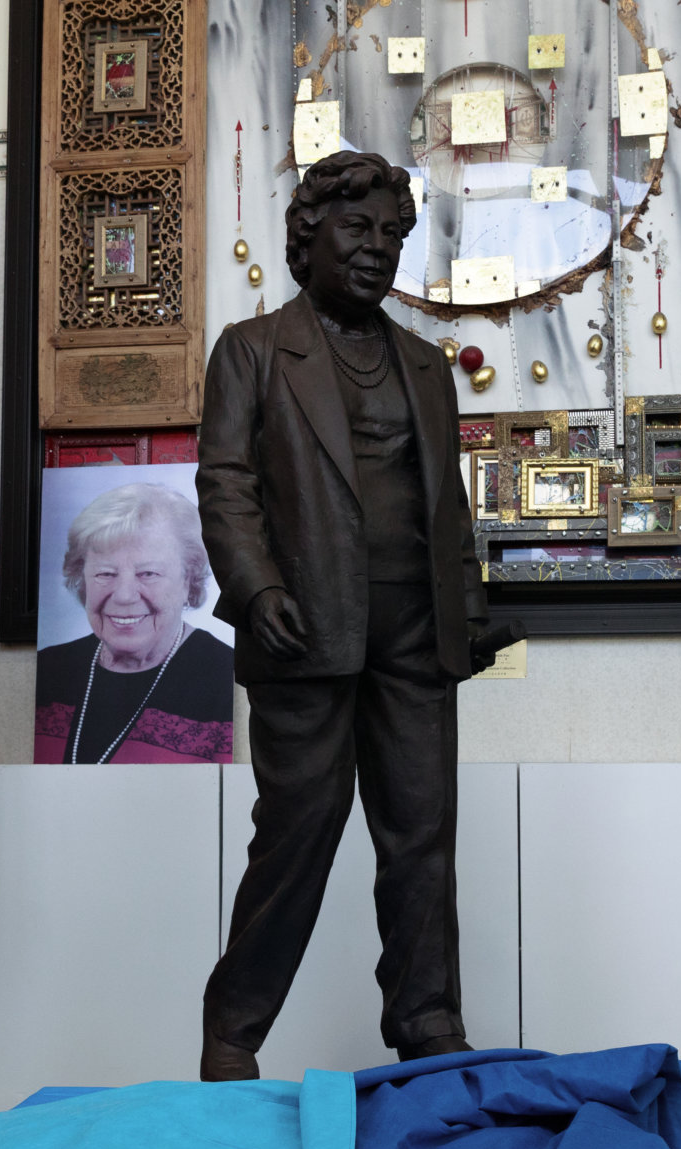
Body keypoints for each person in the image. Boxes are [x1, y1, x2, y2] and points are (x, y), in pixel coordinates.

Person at [195, 150, 512, 1082]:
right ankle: (233, 1032)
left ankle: (430, 1030)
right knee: (299, 834)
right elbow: (226, 486)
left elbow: (444, 504)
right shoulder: (253, 351)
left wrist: (471, 610)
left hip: (415, 634)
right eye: (356, 230)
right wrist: (256, 590)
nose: (377, 249)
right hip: (305, 629)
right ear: (309, 237)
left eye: (392, 235)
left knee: (422, 836)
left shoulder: (423, 363)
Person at [33, 482, 233, 763]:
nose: (124, 596)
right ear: (82, 579)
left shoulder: (226, 676)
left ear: (188, 581)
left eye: (148, 573)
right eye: (105, 574)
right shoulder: (50, 669)